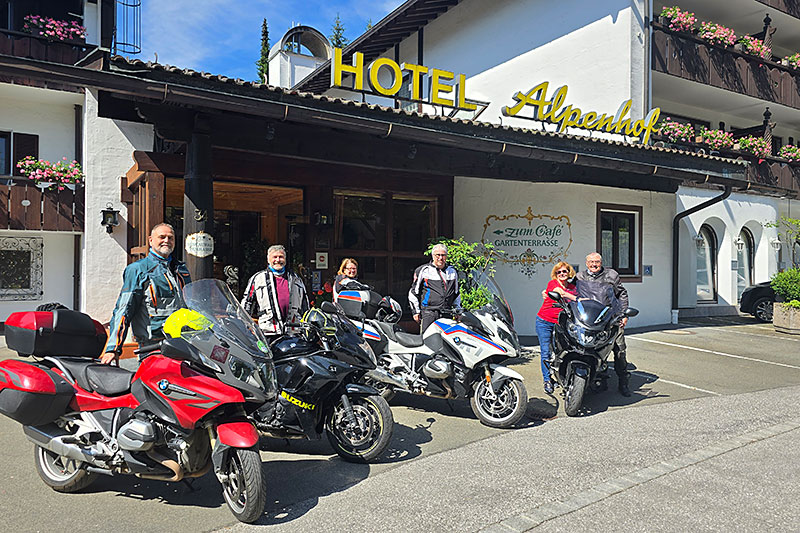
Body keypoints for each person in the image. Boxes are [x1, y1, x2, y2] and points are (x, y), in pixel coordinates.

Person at [102, 223, 191, 364]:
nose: (167, 241)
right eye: (162, 237)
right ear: (151, 240)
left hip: (182, 344)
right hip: (153, 346)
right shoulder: (138, 270)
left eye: (170, 238)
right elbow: (124, 309)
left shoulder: (181, 270)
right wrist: (113, 348)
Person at [575, 252, 632, 396]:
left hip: (611, 319)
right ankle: (599, 381)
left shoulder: (611, 275)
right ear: (586, 263)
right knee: (594, 351)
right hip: (591, 321)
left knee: (619, 352)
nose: (594, 265)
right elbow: (565, 288)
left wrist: (623, 314)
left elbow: (622, 294)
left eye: (597, 262)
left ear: (601, 263)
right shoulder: (579, 277)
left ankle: (623, 382)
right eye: (591, 262)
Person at [241, 244, 309, 337]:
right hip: (268, 331)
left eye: (281, 257)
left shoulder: (296, 278)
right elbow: (247, 303)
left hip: (293, 331)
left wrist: (306, 326)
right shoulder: (258, 278)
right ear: (268, 260)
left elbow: (305, 305)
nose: (278, 260)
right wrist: (244, 325)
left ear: (285, 259)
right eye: (275, 257)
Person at [536, 262, 579, 394]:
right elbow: (557, 292)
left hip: (562, 323)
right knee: (546, 351)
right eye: (559, 272)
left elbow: (579, 299)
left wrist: (576, 298)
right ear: (555, 274)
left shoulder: (572, 287)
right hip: (545, 321)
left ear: (569, 272)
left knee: (561, 350)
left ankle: (562, 376)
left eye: (564, 271)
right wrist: (568, 295)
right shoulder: (553, 284)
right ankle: (547, 380)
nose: (562, 274)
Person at [409, 243, 460, 333]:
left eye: (443, 255)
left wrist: (458, 311)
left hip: (446, 313)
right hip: (429, 313)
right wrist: (416, 312)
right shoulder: (424, 270)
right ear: (433, 256)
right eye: (438, 255)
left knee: (446, 343)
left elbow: (456, 294)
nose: (440, 258)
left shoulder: (452, 271)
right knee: (427, 341)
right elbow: (413, 292)